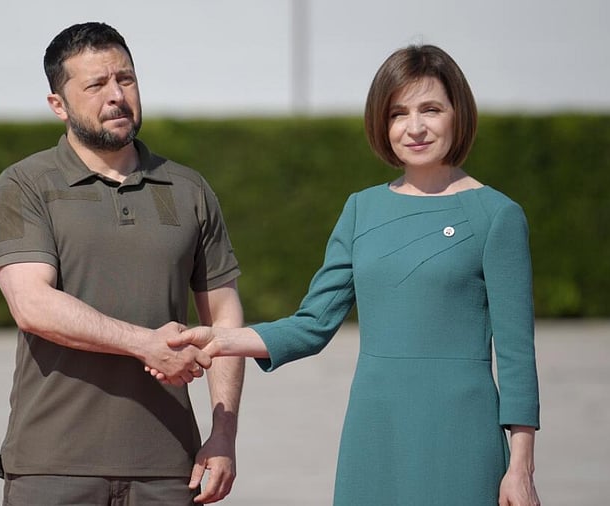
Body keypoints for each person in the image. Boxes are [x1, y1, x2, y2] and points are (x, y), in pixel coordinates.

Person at [158, 45, 541, 505]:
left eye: (431, 109)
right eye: (398, 113)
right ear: (382, 124)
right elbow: (313, 324)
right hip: (374, 429)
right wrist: (222, 341)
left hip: (461, 431)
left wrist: (519, 467)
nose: (414, 127)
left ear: (458, 114)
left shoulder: (496, 215)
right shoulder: (362, 209)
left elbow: (518, 356)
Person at [0, 22, 244, 505]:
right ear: (58, 105)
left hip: (172, 468)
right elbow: (32, 305)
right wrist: (144, 344)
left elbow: (224, 320)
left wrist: (224, 432)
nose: (116, 95)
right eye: (96, 84)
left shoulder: (189, 189)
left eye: (125, 79)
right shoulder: (25, 184)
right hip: (52, 468)